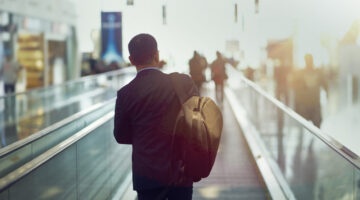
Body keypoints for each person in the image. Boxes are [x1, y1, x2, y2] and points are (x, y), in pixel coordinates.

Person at [113, 33, 198, 200]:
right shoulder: (182, 82)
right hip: (180, 170)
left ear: (131, 60)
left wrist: (143, 135)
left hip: (146, 174)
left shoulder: (125, 94)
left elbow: (121, 136)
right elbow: (197, 119)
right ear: (157, 55)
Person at [290, 54, 328, 128]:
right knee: (304, 126)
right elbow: (294, 87)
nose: (309, 62)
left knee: (317, 126)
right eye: (307, 60)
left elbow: (325, 84)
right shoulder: (300, 73)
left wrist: (327, 94)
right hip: (304, 104)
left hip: (315, 104)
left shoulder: (318, 72)